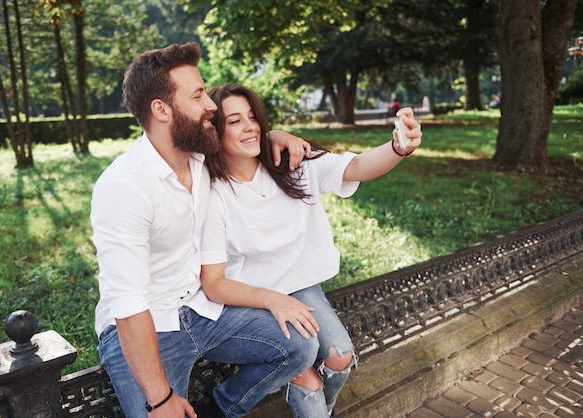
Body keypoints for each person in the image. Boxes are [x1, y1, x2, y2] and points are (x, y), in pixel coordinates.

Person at [91, 43, 319, 418]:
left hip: (203, 308)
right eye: (198, 95)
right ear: (161, 110)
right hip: (148, 324)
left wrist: (275, 135)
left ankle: (217, 410)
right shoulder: (124, 187)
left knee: (299, 346)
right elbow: (129, 306)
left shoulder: (200, 156)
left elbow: (245, 139)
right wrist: (161, 400)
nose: (211, 105)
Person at [199, 84, 422, 417]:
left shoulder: (292, 161)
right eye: (234, 121)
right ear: (216, 131)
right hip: (248, 296)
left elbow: (356, 167)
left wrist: (397, 147)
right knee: (308, 380)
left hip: (297, 284)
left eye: (252, 117)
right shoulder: (212, 192)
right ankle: (301, 391)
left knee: (340, 358)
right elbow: (215, 281)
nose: (250, 127)